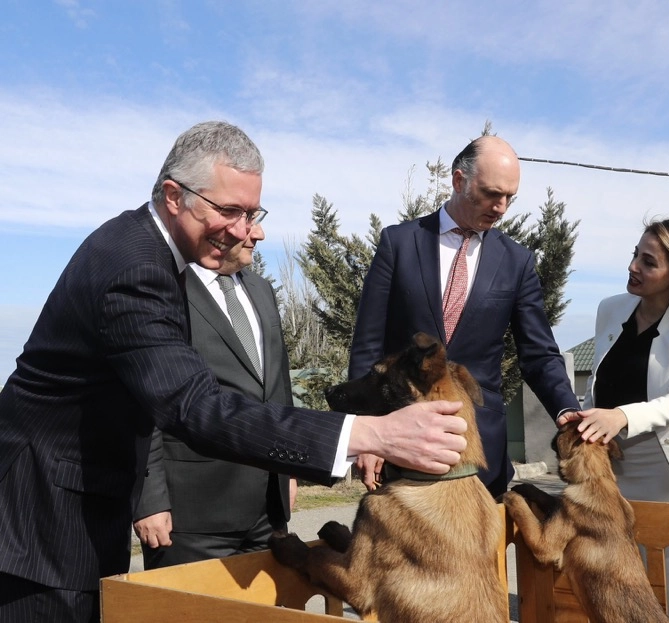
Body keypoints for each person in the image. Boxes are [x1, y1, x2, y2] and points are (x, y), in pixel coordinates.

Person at [0, 121, 468, 622]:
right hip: (45, 521)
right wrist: (372, 432)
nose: (249, 230)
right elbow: (192, 405)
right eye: (229, 211)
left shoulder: (155, 254)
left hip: (80, 505)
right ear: (174, 196)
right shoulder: (134, 268)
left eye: (252, 213)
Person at [348, 135, 580, 497]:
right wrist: (367, 431)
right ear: (459, 181)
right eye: (492, 194)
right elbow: (368, 345)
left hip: (479, 449)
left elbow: (538, 353)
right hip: (403, 436)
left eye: (509, 198)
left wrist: (566, 409)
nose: (501, 207)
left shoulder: (517, 262)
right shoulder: (399, 243)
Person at [562, 219, 669, 623]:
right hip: (608, 467)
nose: (634, 266)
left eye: (649, 261)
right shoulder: (611, 309)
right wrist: (584, 415)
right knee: (615, 579)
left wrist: (619, 416)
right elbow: (601, 383)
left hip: (666, 473)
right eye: (635, 254)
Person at [132, 220, 297, 568]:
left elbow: (278, 388)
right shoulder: (163, 289)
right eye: (250, 224)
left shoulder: (262, 290)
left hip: (268, 510)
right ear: (217, 230)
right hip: (190, 517)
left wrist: (289, 470)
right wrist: (149, 499)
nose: (261, 235)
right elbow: (143, 404)